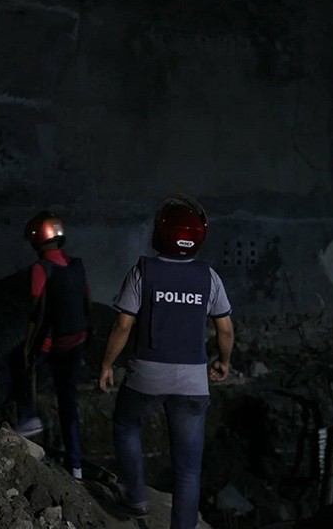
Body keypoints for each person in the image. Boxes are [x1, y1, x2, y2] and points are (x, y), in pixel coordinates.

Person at [98, 194, 234, 528]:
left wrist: (106, 364)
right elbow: (226, 329)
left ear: (160, 232)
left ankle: (136, 497)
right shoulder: (209, 277)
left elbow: (122, 325)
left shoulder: (142, 271)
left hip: (147, 373)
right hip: (193, 381)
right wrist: (223, 361)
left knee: (127, 425)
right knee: (188, 469)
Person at [16, 211, 91, 480]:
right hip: (78, 340)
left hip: (55, 342)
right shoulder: (77, 265)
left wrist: (28, 347)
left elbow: (36, 311)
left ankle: (28, 419)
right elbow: (86, 301)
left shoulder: (41, 269)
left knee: (24, 370)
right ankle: (76, 465)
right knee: (68, 401)